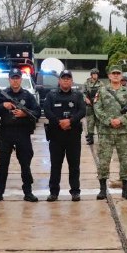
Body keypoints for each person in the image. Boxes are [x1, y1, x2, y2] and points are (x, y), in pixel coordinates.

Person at [0, 68, 41, 203]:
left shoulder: (28, 96)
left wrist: (24, 114)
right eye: (13, 78)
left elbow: (37, 112)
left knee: (25, 164)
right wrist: (3, 106)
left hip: (23, 133)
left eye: (17, 78)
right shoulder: (1, 95)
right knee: (3, 165)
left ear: (21, 79)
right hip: (6, 133)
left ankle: (28, 192)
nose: (15, 80)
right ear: (9, 79)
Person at [94, 66, 127, 200]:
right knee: (103, 161)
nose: (116, 75)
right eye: (113, 73)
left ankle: (126, 189)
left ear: (121, 75)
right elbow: (97, 108)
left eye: (118, 73)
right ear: (109, 75)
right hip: (106, 132)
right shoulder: (102, 91)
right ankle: (102, 189)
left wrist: (121, 120)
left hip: (123, 132)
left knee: (125, 161)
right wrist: (109, 121)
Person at [43, 70, 86, 201]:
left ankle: (75, 191)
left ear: (71, 81)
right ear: (59, 80)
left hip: (73, 136)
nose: (66, 80)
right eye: (63, 78)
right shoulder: (51, 95)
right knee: (56, 165)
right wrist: (58, 122)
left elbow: (82, 111)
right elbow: (47, 110)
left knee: (74, 165)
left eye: (68, 78)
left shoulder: (78, 95)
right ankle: (54, 192)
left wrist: (70, 121)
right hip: (56, 136)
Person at [82, 68, 102, 145]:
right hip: (89, 105)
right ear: (91, 75)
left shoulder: (101, 83)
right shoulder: (86, 83)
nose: (95, 75)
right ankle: (90, 139)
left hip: (98, 105)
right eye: (94, 74)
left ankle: (101, 138)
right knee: (90, 122)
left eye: (96, 74)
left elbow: (103, 93)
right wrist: (86, 99)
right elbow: (83, 93)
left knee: (99, 122)